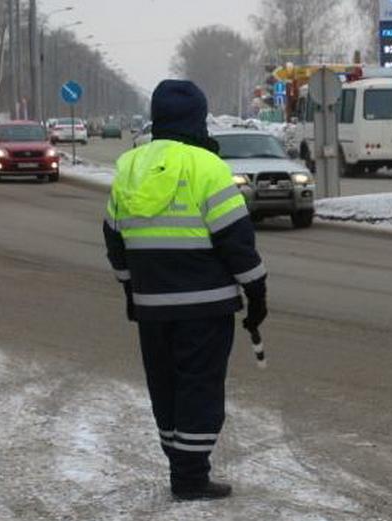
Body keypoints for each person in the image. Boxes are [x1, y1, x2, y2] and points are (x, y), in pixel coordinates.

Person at [102, 79, 268, 501]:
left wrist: (130, 289)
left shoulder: (130, 167)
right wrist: (257, 294)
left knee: (165, 386)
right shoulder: (207, 167)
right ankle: (191, 477)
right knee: (200, 386)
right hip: (206, 307)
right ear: (198, 117)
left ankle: (180, 466)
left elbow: (114, 238)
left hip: (152, 308)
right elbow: (236, 240)